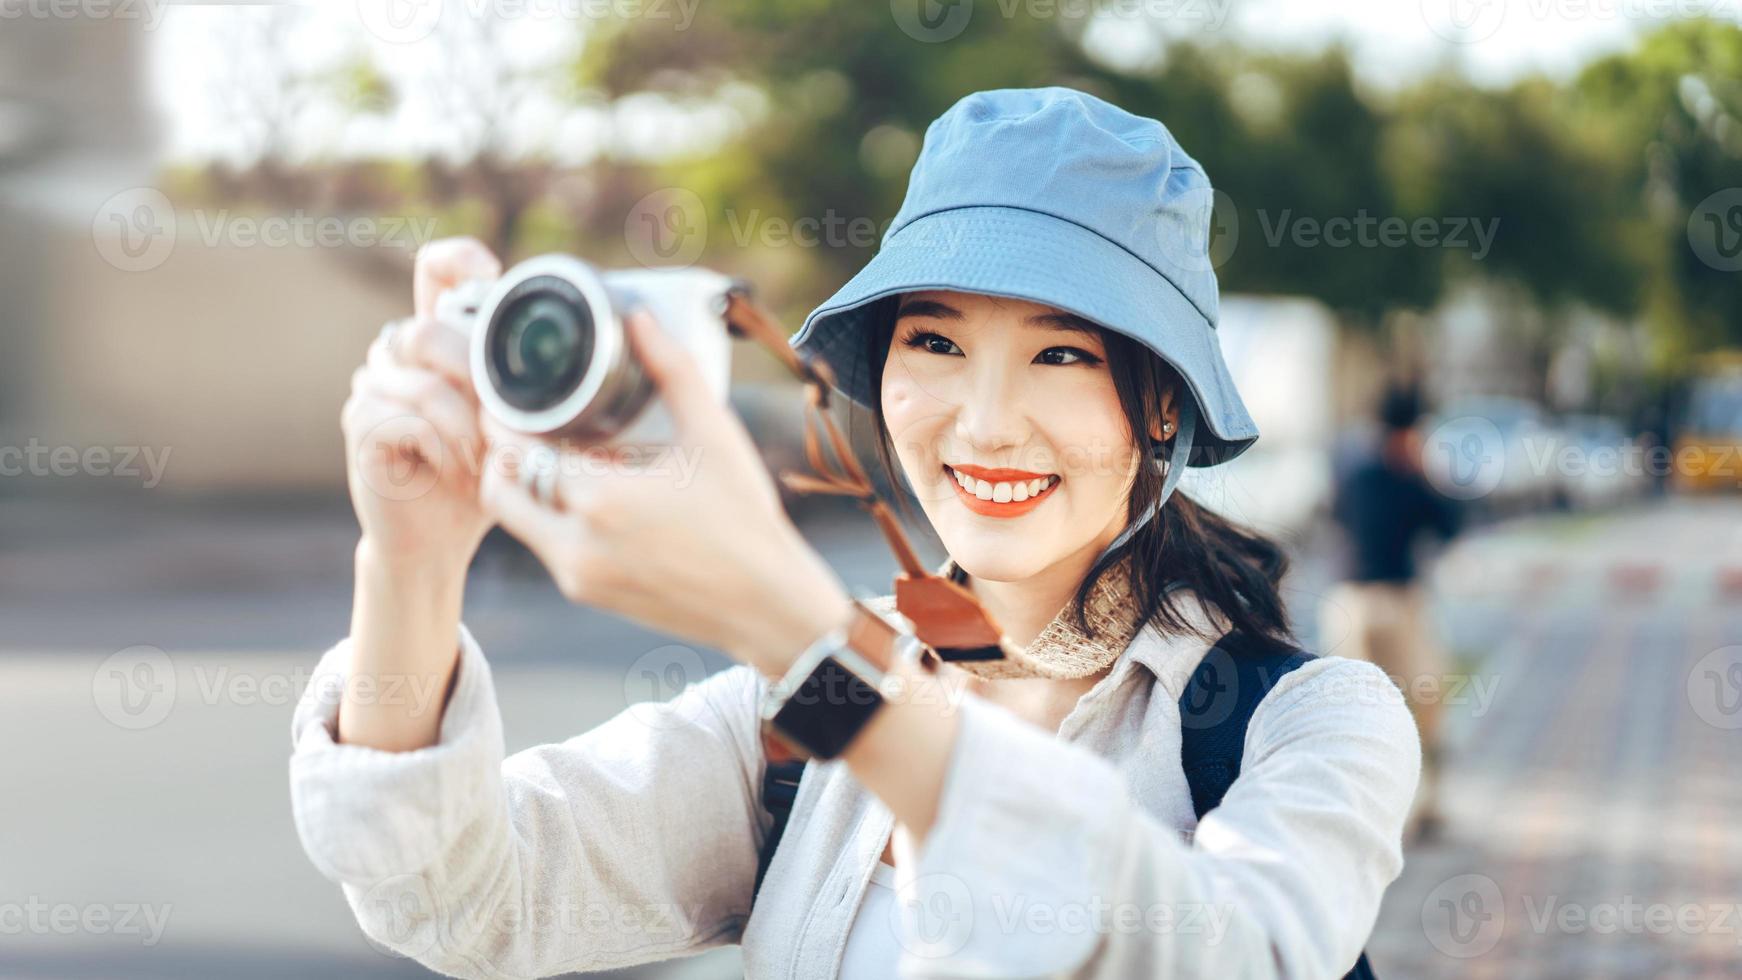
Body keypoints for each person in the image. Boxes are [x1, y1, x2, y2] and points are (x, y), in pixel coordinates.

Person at [291, 87, 1419, 979]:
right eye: (933, 342)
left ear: (1161, 404)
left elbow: (1224, 954)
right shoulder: (791, 720)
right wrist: (410, 556)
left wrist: (793, 629)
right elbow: (463, 897)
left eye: (1061, 353)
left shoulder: (1306, 723)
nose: (982, 423)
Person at [1321, 385, 1461, 842]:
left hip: (1371, 600)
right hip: (1377, 601)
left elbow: (1446, 525)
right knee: (1392, 706)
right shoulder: (1385, 475)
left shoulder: (1363, 471)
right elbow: (1449, 525)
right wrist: (1424, 475)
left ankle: (1404, 807)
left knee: (1398, 704)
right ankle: (1393, 809)